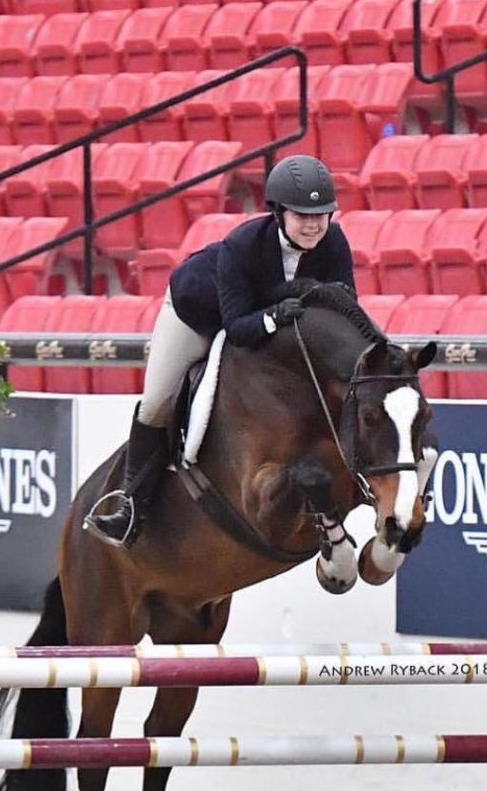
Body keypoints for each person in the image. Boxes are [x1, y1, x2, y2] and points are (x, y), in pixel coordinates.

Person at [84, 154, 356, 548]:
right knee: (158, 401)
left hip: (262, 316)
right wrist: (278, 310)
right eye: (302, 215)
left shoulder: (333, 243)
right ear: (278, 213)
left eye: (322, 214)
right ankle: (130, 506)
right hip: (198, 313)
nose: (314, 225)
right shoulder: (242, 245)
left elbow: (345, 303)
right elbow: (238, 326)